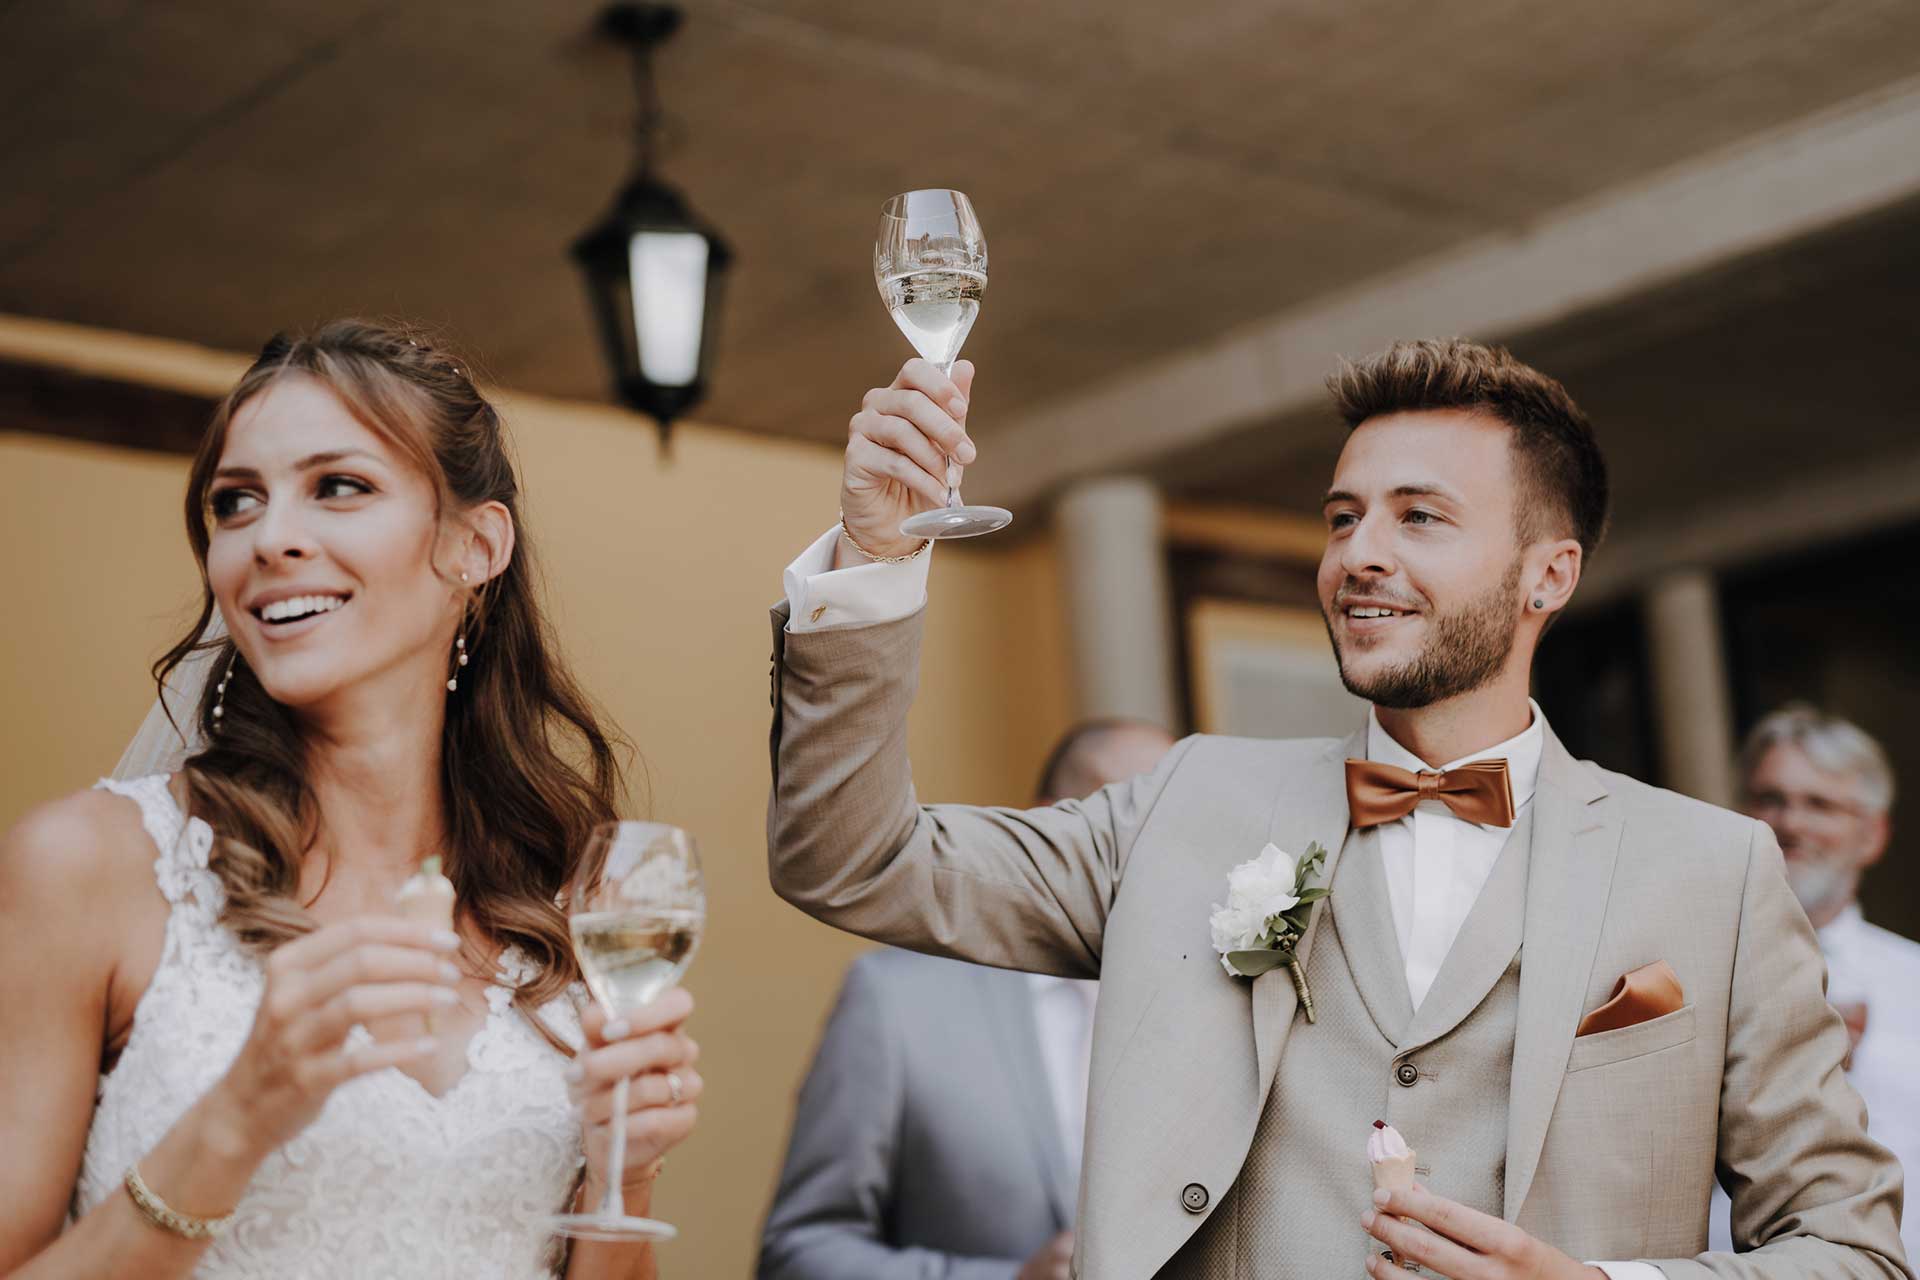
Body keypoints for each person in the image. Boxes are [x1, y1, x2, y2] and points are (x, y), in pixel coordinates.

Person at [764, 341, 1909, 1279]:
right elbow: (852, 857)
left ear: (1546, 575)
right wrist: (874, 554)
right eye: (1342, 515)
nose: (1358, 554)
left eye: (1419, 518)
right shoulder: (1187, 801)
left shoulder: (1713, 867)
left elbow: (1854, 1251)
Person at [0, 321, 702, 1278]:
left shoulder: (565, 913)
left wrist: (630, 1179)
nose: (271, 539)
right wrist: (236, 1119)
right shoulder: (87, 867)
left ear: (473, 545)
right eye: (235, 503)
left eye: (339, 486)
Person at [759, 720, 1175, 1280]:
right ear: (1052, 824)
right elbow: (797, 1253)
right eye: (1133, 818)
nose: (1163, 850)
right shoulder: (897, 1000)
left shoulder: (1232, 1005)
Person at [1708, 705, 1920, 1257]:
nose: (1791, 823)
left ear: (1872, 835)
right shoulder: (1682, 971)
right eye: (1769, 799)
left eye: (1820, 804)